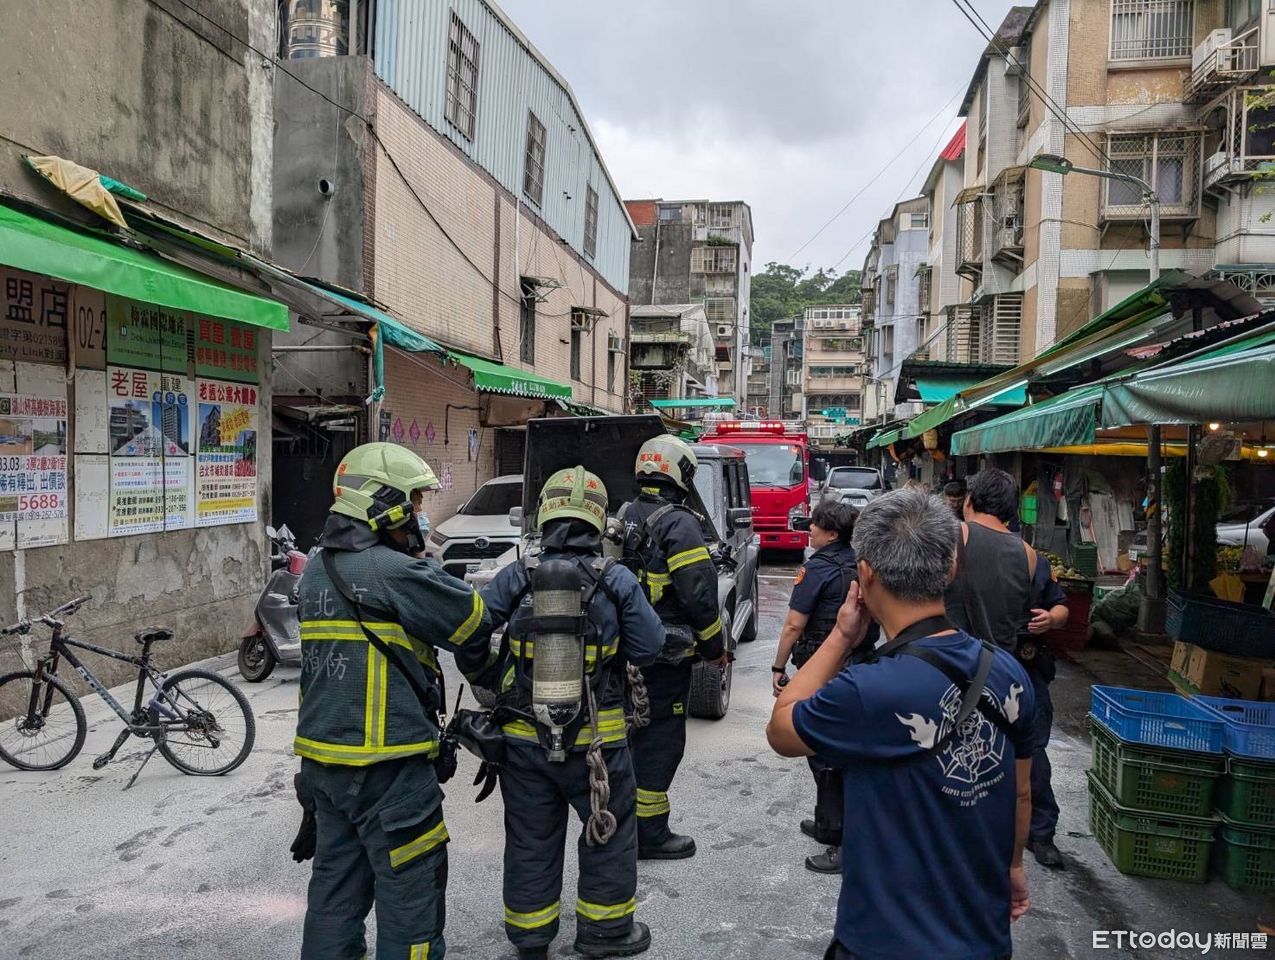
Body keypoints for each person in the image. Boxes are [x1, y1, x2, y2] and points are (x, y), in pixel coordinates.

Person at [767, 490, 1036, 960]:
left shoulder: (868, 690)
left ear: (864, 575)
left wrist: (841, 634)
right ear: (950, 569)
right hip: (984, 938)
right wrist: (1013, 866)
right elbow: (1020, 792)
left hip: (882, 942)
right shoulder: (1008, 673)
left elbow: (782, 728)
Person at [294, 442, 500, 960]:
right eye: (413, 502)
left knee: (334, 895)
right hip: (388, 769)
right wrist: (427, 563)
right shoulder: (392, 570)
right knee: (412, 899)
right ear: (381, 503)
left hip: (323, 764)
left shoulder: (317, 569)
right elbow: (472, 620)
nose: (420, 514)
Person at [481, 467, 665, 960]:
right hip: (598, 750)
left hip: (523, 744)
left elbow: (470, 635)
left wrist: (490, 679)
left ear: (546, 513)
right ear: (599, 519)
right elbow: (649, 647)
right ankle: (605, 935)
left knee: (529, 841)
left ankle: (531, 940)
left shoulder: (517, 574)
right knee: (608, 834)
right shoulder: (617, 578)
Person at [944, 467, 1069, 870]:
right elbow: (1062, 607)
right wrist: (1054, 619)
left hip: (954, 672)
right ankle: (1038, 835)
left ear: (969, 501)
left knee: (953, 755)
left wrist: (1049, 618)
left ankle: (962, 834)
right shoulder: (1029, 555)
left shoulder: (950, 541)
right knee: (1029, 756)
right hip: (1015, 675)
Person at [620, 434, 728, 860]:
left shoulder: (627, 513)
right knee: (662, 740)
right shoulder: (679, 522)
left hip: (628, 648)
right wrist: (714, 647)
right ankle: (651, 834)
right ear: (681, 473)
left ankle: (626, 823)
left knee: (633, 735)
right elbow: (699, 595)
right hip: (666, 654)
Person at [771, 499, 877, 875]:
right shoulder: (862, 564)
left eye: (815, 525)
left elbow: (793, 625)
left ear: (831, 533)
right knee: (838, 747)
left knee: (825, 751)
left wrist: (779, 667)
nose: (809, 529)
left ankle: (841, 841)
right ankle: (829, 823)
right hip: (861, 662)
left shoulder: (817, 568)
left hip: (824, 663)